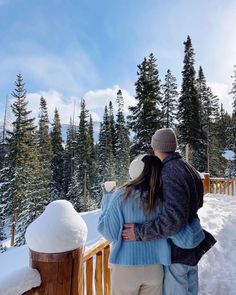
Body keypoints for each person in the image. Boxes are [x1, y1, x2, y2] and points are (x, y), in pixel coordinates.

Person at [122, 128, 216, 295]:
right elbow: (196, 203)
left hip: (178, 250)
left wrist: (139, 232)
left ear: (157, 147)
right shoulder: (187, 167)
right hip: (191, 242)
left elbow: (173, 220)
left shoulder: (170, 171)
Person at [98, 155, 171, 295]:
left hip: (126, 267)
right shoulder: (162, 197)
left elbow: (109, 232)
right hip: (155, 267)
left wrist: (107, 198)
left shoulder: (121, 195)